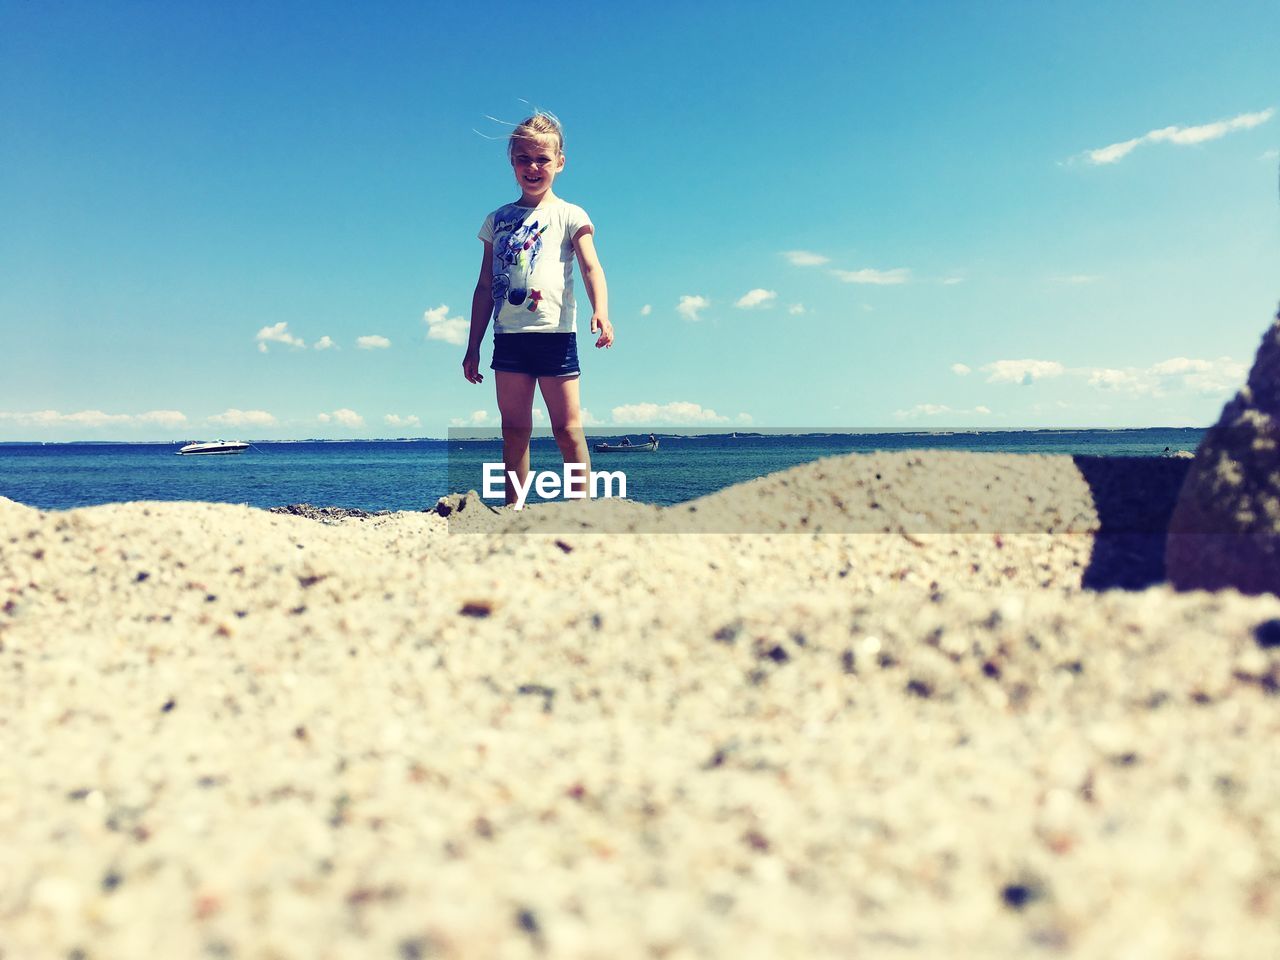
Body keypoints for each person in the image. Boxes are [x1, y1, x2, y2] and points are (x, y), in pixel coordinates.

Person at [462, 112, 613, 505]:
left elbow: (590, 265)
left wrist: (602, 310)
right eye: (524, 158)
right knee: (514, 429)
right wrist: (472, 345)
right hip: (508, 338)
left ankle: (582, 509)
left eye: (543, 159)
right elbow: (483, 287)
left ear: (559, 162)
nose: (533, 167)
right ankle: (515, 506)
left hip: (555, 336)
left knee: (567, 428)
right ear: (512, 162)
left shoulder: (570, 214)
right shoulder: (496, 220)